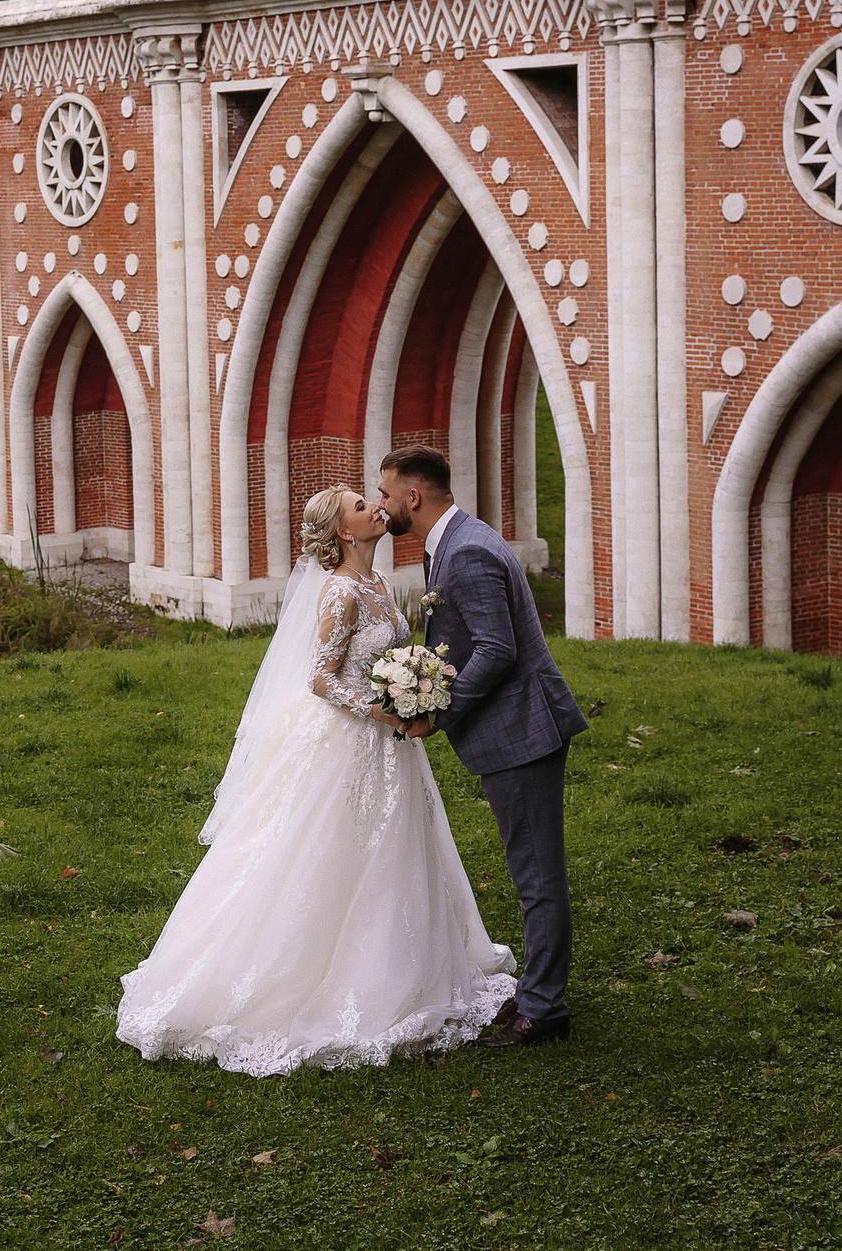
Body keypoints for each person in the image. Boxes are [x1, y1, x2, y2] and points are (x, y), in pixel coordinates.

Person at [114, 483, 518, 1076]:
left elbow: (386, 662)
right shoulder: (340, 592)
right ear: (345, 533)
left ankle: (402, 970)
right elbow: (322, 678)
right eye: (360, 505)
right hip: (348, 740)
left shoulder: (380, 585)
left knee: (393, 851)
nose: (373, 507)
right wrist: (382, 708)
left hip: (391, 746)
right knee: (323, 851)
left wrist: (415, 686)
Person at [376, 445, 590, 1046]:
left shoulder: (465, 552)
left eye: (388, 493)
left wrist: (436, 711)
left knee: (537, 875)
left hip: (522, 732)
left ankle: (544, 1008)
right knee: (532, 869)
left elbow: (497, 649)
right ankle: (536, 995)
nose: (384, 504)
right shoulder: (458, 539)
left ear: (413, 497)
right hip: (517, 729)